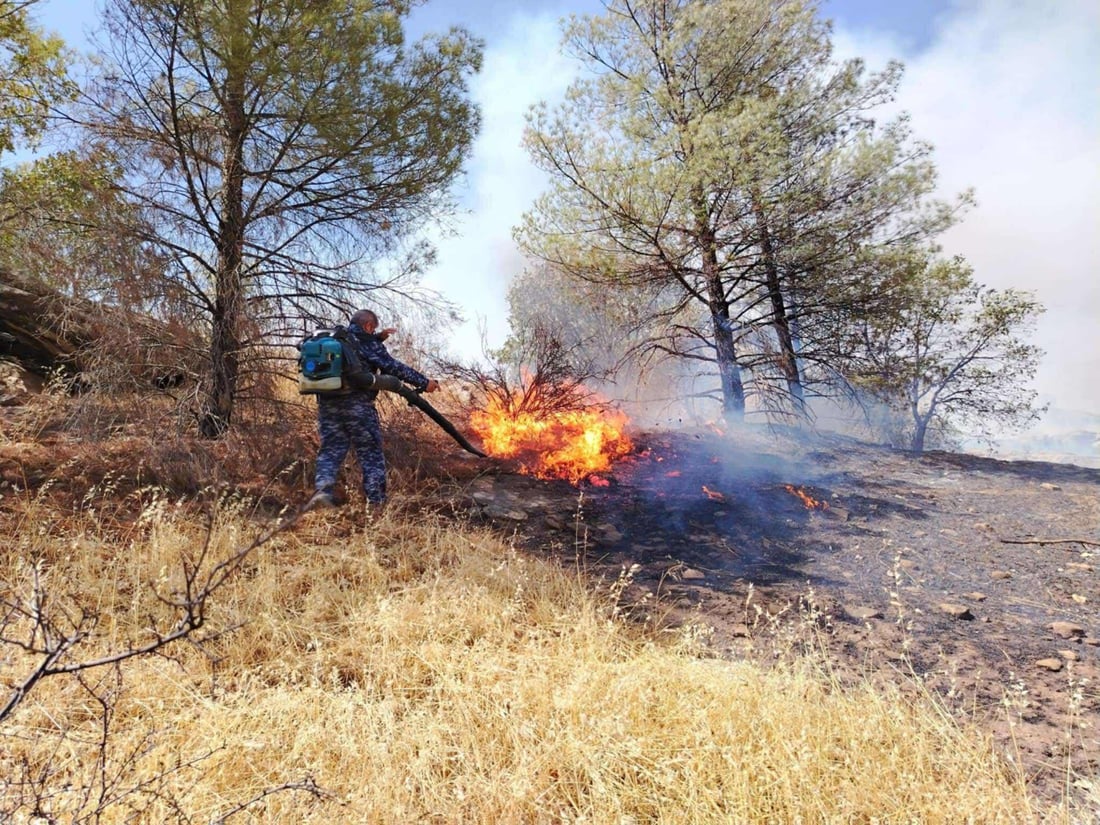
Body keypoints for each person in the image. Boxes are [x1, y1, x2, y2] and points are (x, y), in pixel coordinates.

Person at [305, 309, 439, 511]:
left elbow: (359, 351)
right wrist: (424, 382)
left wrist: (378, 338)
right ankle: (376, 505)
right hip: (358, 408)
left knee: (330, 452)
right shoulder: (367, 343)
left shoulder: (338, 340)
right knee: (370, 455)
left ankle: (322, 493)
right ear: (368, 325)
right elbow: (393, 367)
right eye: (373, 329)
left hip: (328, 407)